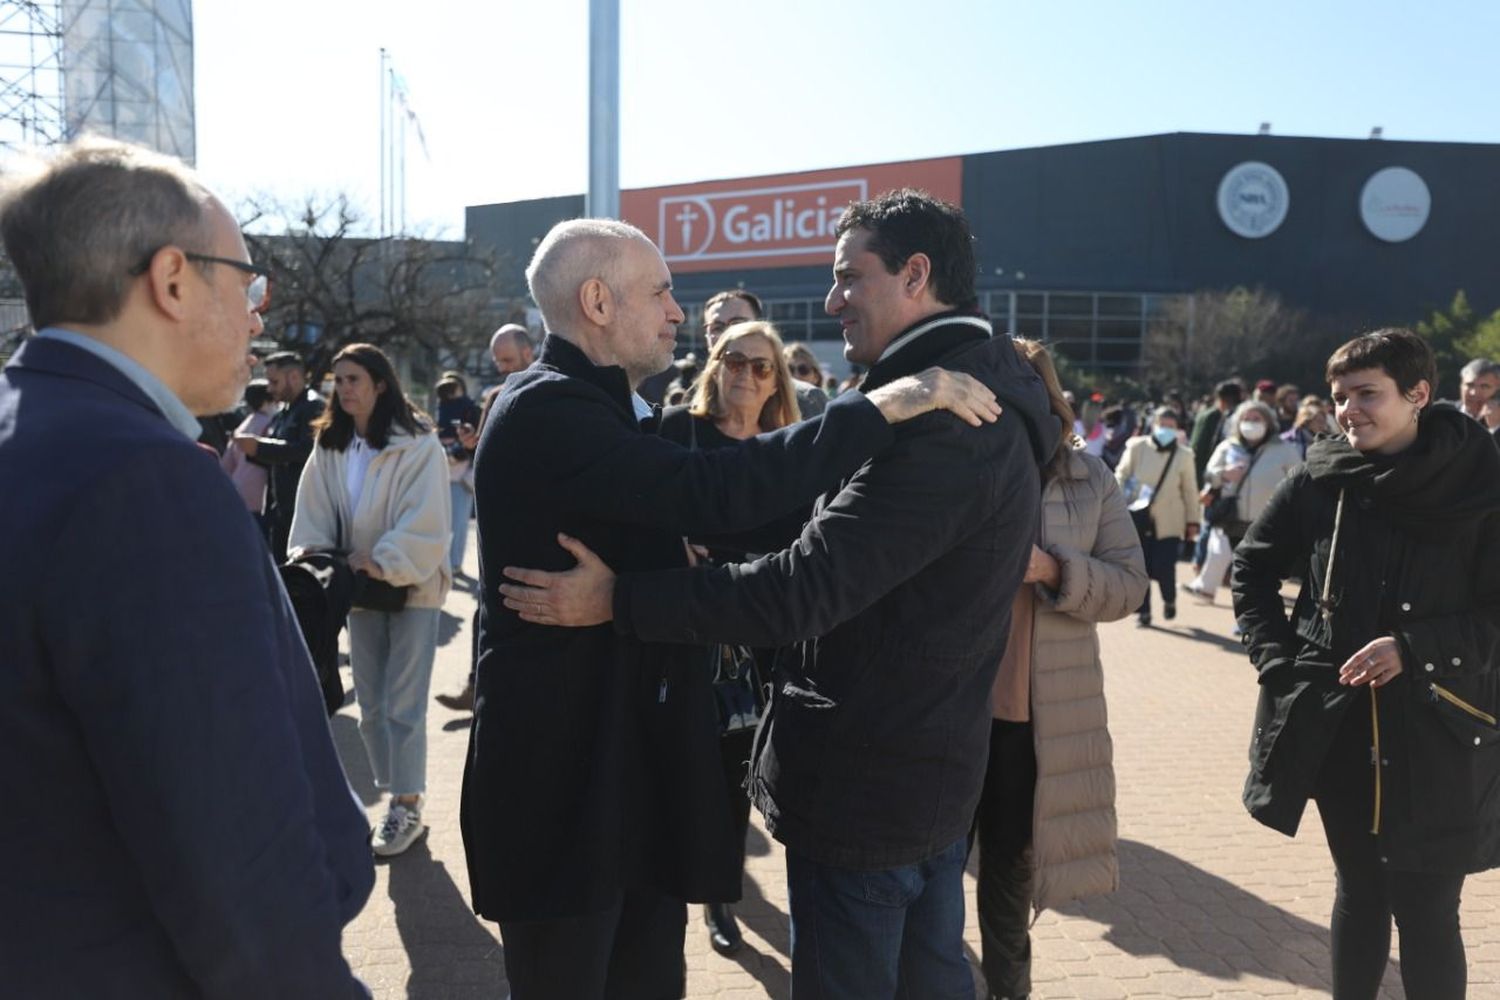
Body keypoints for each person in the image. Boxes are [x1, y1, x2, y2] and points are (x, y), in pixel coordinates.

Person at [497, 191, 1056, 999]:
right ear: (596, 301)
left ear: (916, 275)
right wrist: (878, 407)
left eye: (845, 278)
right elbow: (716, 491)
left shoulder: (946, 413)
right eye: (660, 292)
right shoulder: (553, 405)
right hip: (578, 790)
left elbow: (800, 578)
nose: (680, 314)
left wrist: (625, 597)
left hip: (873, 781)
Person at [0, 136, 373, 995]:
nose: (257, 316)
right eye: (248, 283)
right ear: (172, 279)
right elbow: (239, 862)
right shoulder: (148, 481)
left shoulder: (38, 430)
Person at [1232, 328, 1500, 999]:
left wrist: (1413, 650)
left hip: (1441, 729)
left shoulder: (1482, 484)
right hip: (1340, 729)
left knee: (1428, 911)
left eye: (1366, 394)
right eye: (1339, 395)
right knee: (1360, 892)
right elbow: (1252, 570)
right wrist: (1279, 664)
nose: (1348, 409)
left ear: (1419, 395)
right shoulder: (1320, 479)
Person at [974, 339, 1148, 1000]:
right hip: (947, 707)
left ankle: (1007, 991)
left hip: (1034, 720)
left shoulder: (1087, 478)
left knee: (1008, 882)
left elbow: (1130, 586)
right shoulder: (955, 466)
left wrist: (1053, 569)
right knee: (925, 876)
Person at [658, 319, 803, 956]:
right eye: (733, 361)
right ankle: (689, 893)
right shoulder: (677, 432)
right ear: (714, 366)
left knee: (738, 770)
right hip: (682, 633)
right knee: (677, 767)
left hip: (759, 640)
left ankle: (721, 897)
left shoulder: (789, 450)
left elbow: (806, 547)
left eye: (761, 366)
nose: (745, 374)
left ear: (777, 382)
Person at [290, 343, 452, 858]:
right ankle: (394, 791)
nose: (344, 388)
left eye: (354, 378)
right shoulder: (332, 445)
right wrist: (316, 555)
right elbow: (312, 510)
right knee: (372, 708)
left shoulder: (418, 444)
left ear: (381, 383)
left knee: (404, 703)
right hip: (358, 590)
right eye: (339, 380)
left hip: (414, 586)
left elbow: (427, 520)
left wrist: (382, 558)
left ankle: (406, 802)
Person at [435, 324, 536, 712]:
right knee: (487, 609)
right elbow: (482, 450)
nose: (502, 368)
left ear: (529, 352)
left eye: (508, 360)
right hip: (498, 523)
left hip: (534, 523)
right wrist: (471, 444)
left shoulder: (556, 388)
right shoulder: (496, 394)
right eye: (498, 361)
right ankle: (478, 689)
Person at [1184, 400, 1301, 607]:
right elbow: (1209, 475)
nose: (1251, 423)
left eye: (1257, 419)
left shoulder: (1284, 449)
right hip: (1230, 515)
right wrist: (1223, 474)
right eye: (1246, 419)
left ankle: (1249, 612)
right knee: (1219, 552)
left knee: (1255, 570)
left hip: (1266, 521)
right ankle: (1206, 588)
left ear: (1268, 422)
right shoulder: (1227, 446)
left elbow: (1299, 479)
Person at [238, 350, 325, 561]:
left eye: (274, 382)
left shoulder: (313, 407)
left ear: (294, 377)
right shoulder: (285, 411)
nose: (269, 388)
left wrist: (259, 447)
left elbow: (307, 451)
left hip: (302, 512)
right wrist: (252, 450)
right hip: (280, 511)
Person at [1115, 406, 1198, 626]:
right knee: (1139, 566)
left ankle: (1169, 599)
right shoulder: (1137, 446)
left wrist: (1193, 521)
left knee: (1164, 565)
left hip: (1169, 519)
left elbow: (1190, 489)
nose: (1166, 429)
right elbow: (1121, 475)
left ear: (1178, 428)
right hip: (1137, 515)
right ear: (1154, 425)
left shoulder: (1184, 455)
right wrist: (1118, 501)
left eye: (1171, 426)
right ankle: (1144, 612)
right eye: (1162, 424)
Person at [435, 372, 483, 576]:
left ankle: (452, 564)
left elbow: (476, 438)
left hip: (458, 473)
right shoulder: (464, 408)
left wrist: (458, 450)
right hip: (449, 471)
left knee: (455, 523)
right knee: (452, 523)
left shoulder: (468, 409)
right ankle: (450, 563)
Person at [221, 377, 276, 523]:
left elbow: (227, 463)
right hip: (259, 494)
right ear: (266, 401)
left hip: (238, 489)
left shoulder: (244, 425)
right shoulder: (270, 424)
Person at [783, 340, 830, 417]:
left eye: (803, 370)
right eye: (789, 370)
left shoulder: (828, 409)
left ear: (816, 377)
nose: (796, 376)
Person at [1280, 395, 1331, 459]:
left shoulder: (1324, 437)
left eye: (1324, 422)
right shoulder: (1289, 439)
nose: (1323, 425)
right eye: (1319, 422)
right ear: (1307, 422)